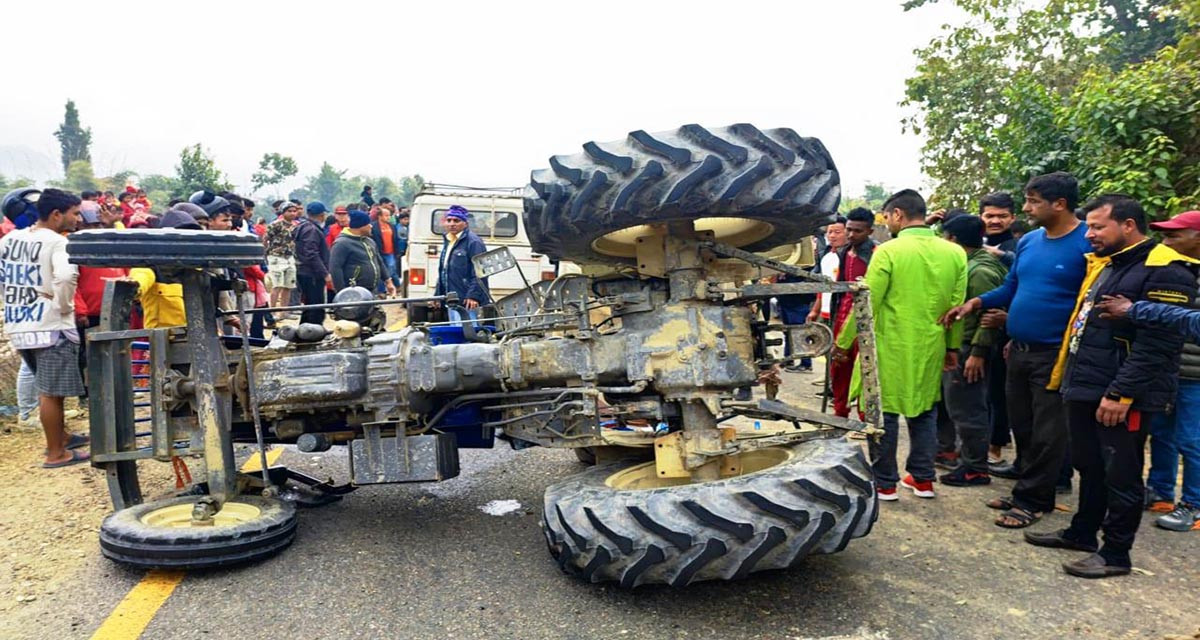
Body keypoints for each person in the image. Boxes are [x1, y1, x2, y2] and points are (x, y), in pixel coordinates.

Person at [1021, 195, 1198, 578]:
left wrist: (1121, 394)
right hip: (1088, 385)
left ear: (1129, 226)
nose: (1090, 234)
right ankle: (1082, 533)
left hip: (1121, 394)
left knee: (1121, 472)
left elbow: (1158, 345)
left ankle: (1116, 553)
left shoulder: (1164, 270)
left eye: (1099, 226)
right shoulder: (1112, 265)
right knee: (1090, 465)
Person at [942, 172, 1090, 528]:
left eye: (1033, 201)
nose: (1026, 208)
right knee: (1021, 424)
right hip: (1019, 349)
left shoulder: (1089, 242)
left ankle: (1034, 501)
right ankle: (1028, 484)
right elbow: (1012, 285)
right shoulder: (1030, 242)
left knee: (1047, 430)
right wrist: (975, 303)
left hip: (1055, 353)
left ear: (1060, 204)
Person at [833, 190, 967, 501]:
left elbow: (868, 302)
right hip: (931, 345)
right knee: (925, 409)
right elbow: (955, 308)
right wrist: (952, 348)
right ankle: (922, 479)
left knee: (885, 412)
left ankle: (885, 482)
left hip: (889, 345)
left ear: (897, 215)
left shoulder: (889, 251)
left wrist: (843, 341)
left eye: (887, 217)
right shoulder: (955, 253)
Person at [1093, 210, 1200, 533]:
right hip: (1169, 370)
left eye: (1173, 236)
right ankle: (1161, 493)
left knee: (1191, 440)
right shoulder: (1169, 271)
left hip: (1196, 375)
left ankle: (1194, 505)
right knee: (1163, 435)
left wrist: (1135, 309)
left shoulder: (1178, 276)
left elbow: (1190, 320)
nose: (1165, 242)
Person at [0, 188, 90, 468]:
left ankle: (61, 436)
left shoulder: (10, 240)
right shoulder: (57, 243)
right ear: (56, 214)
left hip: (20, 323)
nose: (78, 218)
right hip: (50, 324)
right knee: (52, 392)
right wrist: (64, 308)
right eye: (74, 213)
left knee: (45, 385)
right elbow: (65, 277)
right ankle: (55, 453)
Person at [937, 214, 1008, 486]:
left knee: (969, 408)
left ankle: (975, 467)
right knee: (955, 403)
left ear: (953, 239)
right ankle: (953, 453)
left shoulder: (980, 272)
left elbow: (990, 314)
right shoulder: (970, 264)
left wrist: (978, 352)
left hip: (971, 349)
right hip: (964, 345)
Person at [826, 208, 876, 418]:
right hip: (842, 316)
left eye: (858, 231)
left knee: (865, 369)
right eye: (849, 230)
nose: (852, 234)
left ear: (870, 231)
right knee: (839, 367)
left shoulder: (876, 254)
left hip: (865, 318)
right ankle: (840, 414)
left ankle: (866, 418)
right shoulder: (845, 252)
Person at [433, 205, 489, 311]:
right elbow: (444, 271)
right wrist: (438, 295)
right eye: (449, 220)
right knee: (456, 327)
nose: (452, 224)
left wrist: (473, 296)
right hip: (452, 298)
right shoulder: (449, 240)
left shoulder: (474, 242)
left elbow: (480, 272)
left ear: (465, 224)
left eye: (456, 221)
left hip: (468, 301)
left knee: (468, 327)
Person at [330, 210, 395, 295]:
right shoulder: (342, 244)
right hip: (354, 293)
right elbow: (335, 269)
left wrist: (388, 281)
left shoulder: (369, 241)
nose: (371, 226)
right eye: (368, 224)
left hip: (372, 291)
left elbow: (379, 261)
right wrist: (342, 293)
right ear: (361, 226)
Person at [294, 202, 333, 325]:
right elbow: (311, 254)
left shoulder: (303, 226)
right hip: (312, 274)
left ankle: (305, 332)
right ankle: (312, 334)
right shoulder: (311, 230)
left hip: (305, 272)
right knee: (315, 308)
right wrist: (324, 273)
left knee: (310, 306)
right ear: (321, 215)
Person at [807, 215, 847, 323]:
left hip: (841, 314)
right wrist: (815, 310)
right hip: (825, 313)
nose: (832, 236)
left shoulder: (848, 257)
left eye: (837, 232)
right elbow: (823, 286)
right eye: (830, 232)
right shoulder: (825, 255)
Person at [265, 202, 301, 320]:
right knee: (277, 285)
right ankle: (272, 312)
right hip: (276, 257)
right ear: (283, 212)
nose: (292, 213)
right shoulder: (275, 225)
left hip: (290, 257)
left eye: (294, 211)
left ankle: (284, 312)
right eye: (289, 211)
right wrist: (265, 255)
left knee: (288, 285)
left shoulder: (296, 226)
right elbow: (266, 239)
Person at [980, 192, 1019, 268]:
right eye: (989, 216)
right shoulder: (971, 247)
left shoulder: (1022, 248)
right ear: (980, 218)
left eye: (1003, 216)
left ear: (1013, 218)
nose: (995, 221)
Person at [371, 204, 402, 294]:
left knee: (391, 270)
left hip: (391, 253)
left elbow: (396, 239)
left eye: (389, 215)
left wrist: (397, 251)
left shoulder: (392, 226)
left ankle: (396, 285)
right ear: (380, 216)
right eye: (386, 215)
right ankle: (382, 291)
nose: (388, 217)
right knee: (380, 272)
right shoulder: (374, 226)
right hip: (379, 252)